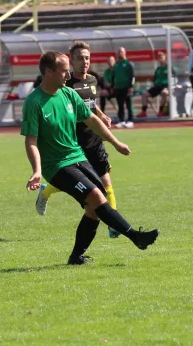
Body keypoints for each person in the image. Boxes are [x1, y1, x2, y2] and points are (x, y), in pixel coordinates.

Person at [21, 50, 159, 265]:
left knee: (94, 207)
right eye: (64, 71)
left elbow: (92, 120)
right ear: (49, 72)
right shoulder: (34, 102)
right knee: (95, 196)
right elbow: (31, 141)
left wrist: (115, 142)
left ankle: (76, 257)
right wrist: (37, 171)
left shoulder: (68, 94)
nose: (68, 76)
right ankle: (136, 237)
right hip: (55, 166)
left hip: (77, 156)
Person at [35, 42, 121, 239]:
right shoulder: (65, 85)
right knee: (78, 186)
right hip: (74, 145)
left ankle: (113, 226)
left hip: (94, 140)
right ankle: (45, 192)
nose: (85, 62)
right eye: (80, 58)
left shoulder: (92, 80)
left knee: (106, 181)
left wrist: (101, 115)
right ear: (71, 61)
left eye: (88, 58)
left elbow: (90, 104)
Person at [136, 52, 173, 118]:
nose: (160, 59)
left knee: (164, 93)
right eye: (159, 58)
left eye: (161, 58)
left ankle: (161, 111)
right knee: (144, 94)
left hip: (165, 86)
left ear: (165, 58)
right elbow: (155, 78)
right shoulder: (158, 69)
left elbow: (174, 77)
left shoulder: (169, 68)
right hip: (157, 86)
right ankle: (144, 112)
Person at [112, 47, 135, 128]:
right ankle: (121, 120)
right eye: (118, 52)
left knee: (129, 104)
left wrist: (131, 87)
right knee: (120, 105)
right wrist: (113, 86)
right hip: (118, 87)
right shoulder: (116, 64)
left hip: (126, 87)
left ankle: (130, 120)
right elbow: (113, 76)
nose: (119, 53)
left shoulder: (129, 64)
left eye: (121, 51)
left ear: (125, 52)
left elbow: (132, 76)